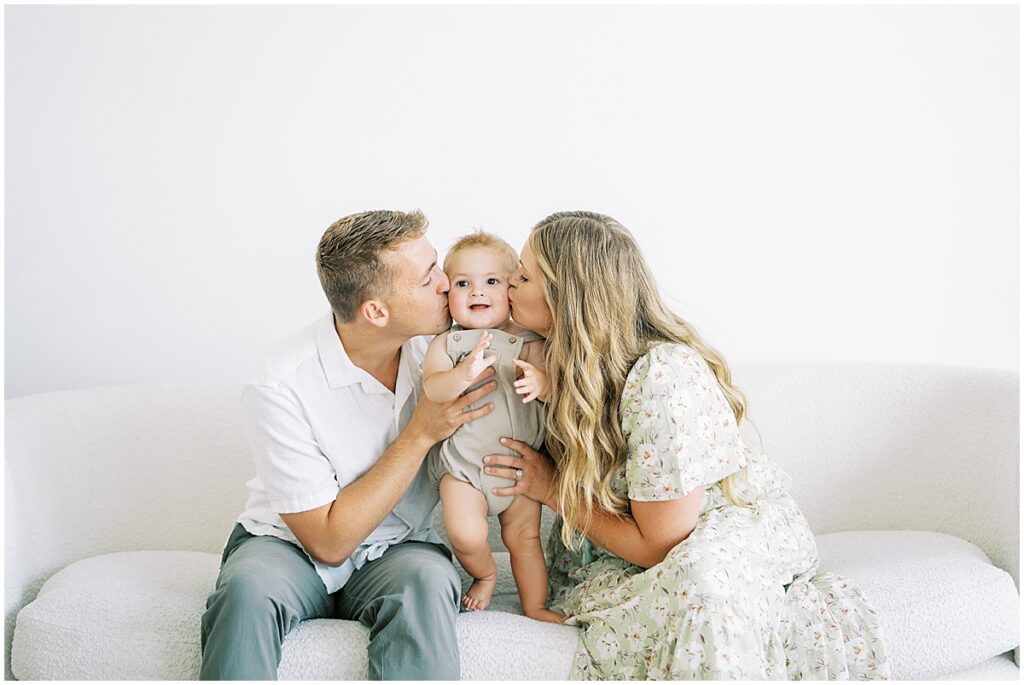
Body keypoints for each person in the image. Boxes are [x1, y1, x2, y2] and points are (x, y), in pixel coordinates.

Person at [481, 211, 892, 679]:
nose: (510, 280)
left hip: (706, 532)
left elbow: (662, 545)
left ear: (568, 297)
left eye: (526, 274)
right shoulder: (543, 361)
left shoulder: (664, 376)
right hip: (623, 547)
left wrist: (551, 488)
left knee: (702, 585)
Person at [200, 209, 498, 680]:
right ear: (375, 312)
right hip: (290, 544)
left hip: (400, 547)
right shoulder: (280, 384)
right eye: (428, 279)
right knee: (246, 592)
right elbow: (328, 541)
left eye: (438, 266)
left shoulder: (446, 354)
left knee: (426, 580)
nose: (448, 284)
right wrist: (421, 430)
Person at [422, 231, 561, 623]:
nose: (476, 291)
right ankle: (484, 575)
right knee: (464, 533)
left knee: (525, 540)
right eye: (463, 283)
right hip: (465, 470)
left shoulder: (533, 341)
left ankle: (535, 605)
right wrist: (462, 374)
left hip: (520, 470)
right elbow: (434, 388)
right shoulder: (447, 345)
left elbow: (561, 389)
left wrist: (543, 384)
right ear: (447, 293)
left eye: (492, 282)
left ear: (513, 290)